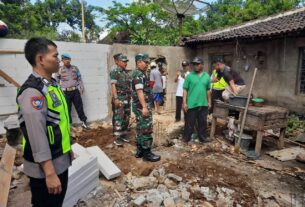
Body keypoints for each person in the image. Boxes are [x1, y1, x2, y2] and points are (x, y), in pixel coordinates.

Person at [17, 37, 72, 206]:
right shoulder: (33, 92)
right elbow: (36, 135)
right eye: (55, 56)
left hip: (59, 158)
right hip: (46, 168)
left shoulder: (51, 84)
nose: (59, 61)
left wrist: (67, 148)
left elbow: (58, 121)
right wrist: (49, 173)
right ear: (41, 59)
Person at [131, 53, 161, 162]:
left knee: (140, 128)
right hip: (142, 107)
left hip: (139, 106)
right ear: (139, 62)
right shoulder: (138, 74)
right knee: (146, 129)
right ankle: (147, 153)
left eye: (148, 62)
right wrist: (144, 107)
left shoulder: (140, 73)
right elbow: (139, 92)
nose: (147, 64)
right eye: (145, 62)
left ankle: (140, 151)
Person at [55, 53, 89, 129]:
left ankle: (84, 122)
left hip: (75, 91)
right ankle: (69, 125)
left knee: (79, 107)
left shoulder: (75, 68)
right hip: (65, 93)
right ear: (62, 61)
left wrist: (81, 87)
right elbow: (56, 81)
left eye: (67, 59)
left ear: (70, 60)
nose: (66, 61)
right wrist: (58, 91)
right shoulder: (59, 69)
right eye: (64, 59)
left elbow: (79, 78)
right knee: (67, 108)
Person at [183, 57, 211, 143]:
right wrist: (184, 103)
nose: (195, 66)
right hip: (192, 104)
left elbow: (208, 90)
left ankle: (203, 138)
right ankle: (186, 138)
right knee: (189, 123)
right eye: (194, 64)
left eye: (197, 64)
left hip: (203, 104)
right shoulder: (189, 76)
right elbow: (185, 90)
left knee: (203, 122)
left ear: (202, 65)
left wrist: (209, 101)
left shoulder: (206, 76)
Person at [110, 53, 131, 146]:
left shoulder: (125, 72)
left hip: (127, 98)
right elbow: (113, 86)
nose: (125, 63)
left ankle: (123, 134)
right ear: (117, 62)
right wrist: (116, 98)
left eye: (126, 61)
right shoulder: (114, 72)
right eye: (123, 61)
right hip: (119, 98)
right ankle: (118, 138)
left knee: (126, 117)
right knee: (119, 117)